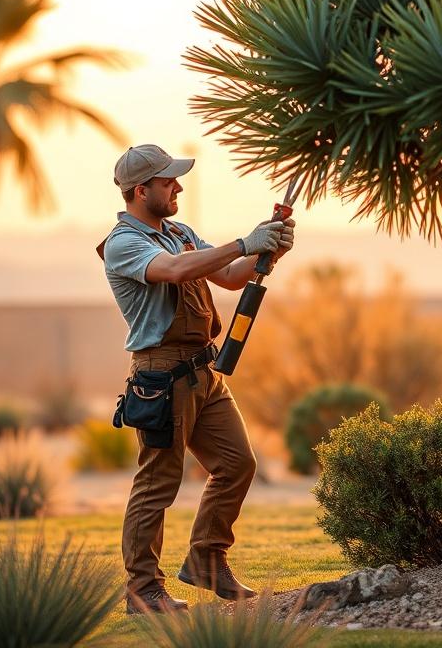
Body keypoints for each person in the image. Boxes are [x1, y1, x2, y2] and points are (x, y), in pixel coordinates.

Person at [100, 144, 295, 614]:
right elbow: (175, 270)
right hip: (161, 376)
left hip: (206, 372)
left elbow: (228, 274)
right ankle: (142, 591)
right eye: (169, 182)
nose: (178, 187)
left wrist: (269, 249)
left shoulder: (179, 231)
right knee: (158, 485)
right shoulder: (126, 243)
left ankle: (207, 560)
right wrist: (246, 242)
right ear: (140, 190)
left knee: (237, 464)